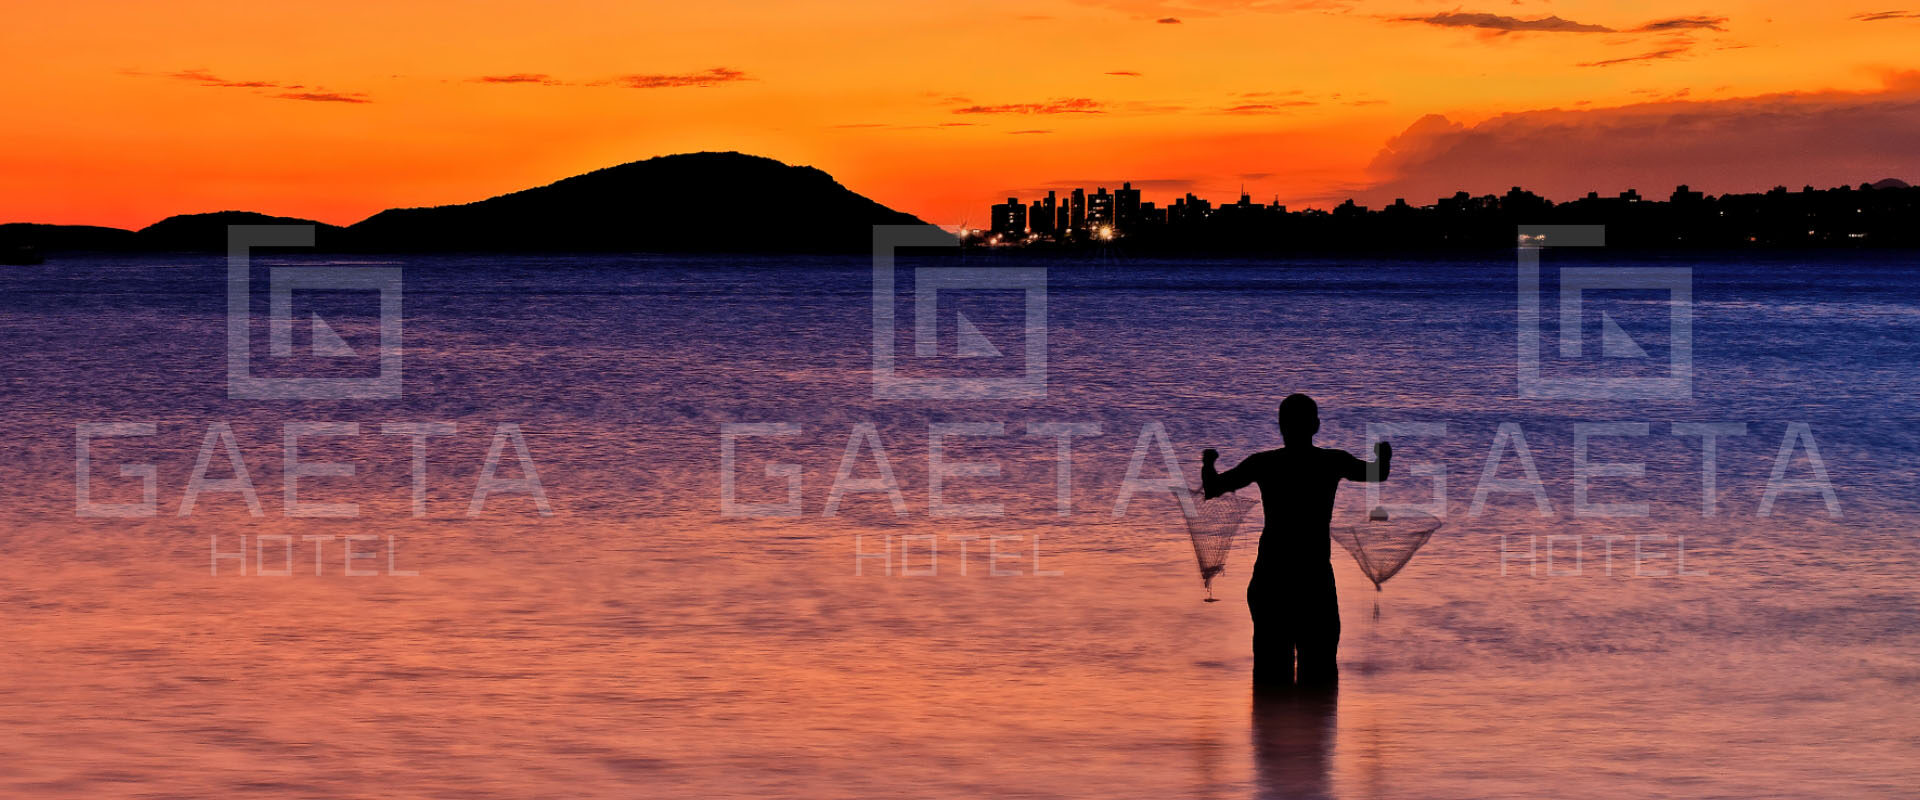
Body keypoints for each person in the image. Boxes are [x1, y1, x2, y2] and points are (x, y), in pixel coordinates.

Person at [1202, 393, 1389, 687]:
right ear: (1315, 425)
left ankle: (1276, 727)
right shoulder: (1331, 461)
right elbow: (1378, 473)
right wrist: (1384, 455)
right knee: (1320, 673)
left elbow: (1213, 488)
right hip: (1313, 581)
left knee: (1270, 674)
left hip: (1271, 579)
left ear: (1281, 426)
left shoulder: (1264, 463)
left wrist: (1208, 463)